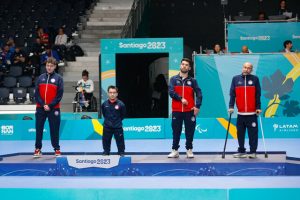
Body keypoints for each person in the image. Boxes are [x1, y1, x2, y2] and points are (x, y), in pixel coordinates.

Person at [168, 58, 203, 158]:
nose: (184, 66)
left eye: (186, 65)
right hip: (177, 110)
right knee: (176, 131)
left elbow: (199, 94)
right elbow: (171, 92)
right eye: (183, 64)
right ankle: (175, 150)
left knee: (190, 131)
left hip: (189, 111)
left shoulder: (193, 81)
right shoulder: (173, 79)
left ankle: (189, 150)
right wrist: (180, 98)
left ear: (189, 68)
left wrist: (197, 106)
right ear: (180, 65)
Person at [228, 62, 261, 159]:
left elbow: (257, 95)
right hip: (241, 114)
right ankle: (241, 151)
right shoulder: (235, 79)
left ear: (251, 69)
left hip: (252, 113)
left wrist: (258, 107)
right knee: (240, 133)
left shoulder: (255, 79)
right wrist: (231, 106)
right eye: (245, 67)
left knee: (253, 134)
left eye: (249, 68)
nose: (246, 69)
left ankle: (253, 152)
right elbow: (232, 94)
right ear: (242, 68)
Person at [33, 57, 64, 158]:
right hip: (40, 108)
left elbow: (59, 95)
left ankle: (57, 149)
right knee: (39, 129)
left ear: (55, 66)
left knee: (54, 129)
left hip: (54, 108)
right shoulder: (40, 78)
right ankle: (38, 149)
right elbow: (36, 94)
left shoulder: (59, 79)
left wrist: (49, 105)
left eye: (51, 66)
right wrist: (43, 105)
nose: (49, 67)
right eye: (47, 65)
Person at [101, 85, 126, 156]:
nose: (112, 94)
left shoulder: (121, 104)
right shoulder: (104, 104)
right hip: (107, 126)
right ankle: (106, 152)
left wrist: (117, 121)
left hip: (117, 126)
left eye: (114, 92)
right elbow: (104, 114)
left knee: (120, 141)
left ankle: (121, 152)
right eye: (110, 92)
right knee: (106, 140)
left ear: (117, 94)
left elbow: (123, 115)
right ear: (108, 93)